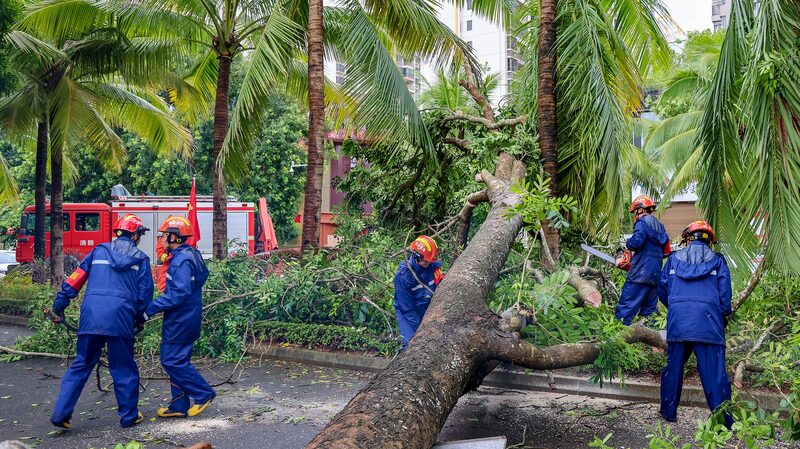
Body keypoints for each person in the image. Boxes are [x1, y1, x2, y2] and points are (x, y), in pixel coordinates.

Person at [49, 214, 153, 429]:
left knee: (81, 364)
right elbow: (144, 295)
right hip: (121, 319)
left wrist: (60, 304)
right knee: (123, 368)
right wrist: (140, 319)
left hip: (91, 318)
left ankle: (60, 415)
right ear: (134, 235)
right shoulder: (141, 259)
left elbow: (75, 278)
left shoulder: (98, 251)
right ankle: (128, 416)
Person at [659, 221, 733, 428]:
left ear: (686, 239)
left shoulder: (673, 260)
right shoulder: (718, 262)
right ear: (710, 241)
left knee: (673, 369)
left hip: (678, 323)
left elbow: (663, 291)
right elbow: (725, 298)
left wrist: (677, 307)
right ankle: (723, 422)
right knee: (715, 375)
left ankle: (668, 414)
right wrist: (721, 315)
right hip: (708, 325)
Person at [143, 216, 214, 418]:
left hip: (180, 319)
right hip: (188, 316)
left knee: (171, 360)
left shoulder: (181, 261)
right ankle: (178, 405)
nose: (162, 239)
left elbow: (178, 294)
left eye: (165, 235)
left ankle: (203, 393)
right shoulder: (191, 254)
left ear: (175, 236)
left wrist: (149, 309)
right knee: (178, 359)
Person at [615, 195, 670, 325]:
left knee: (626, 307)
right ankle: (648, 341)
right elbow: (666, 251)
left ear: (640, 209)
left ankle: (618, 338)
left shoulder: (642, 222)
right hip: (655, 275)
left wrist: (628, 243)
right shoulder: (660, 226)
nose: (635, 215)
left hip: (640, 273)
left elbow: (637, 242)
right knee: (648, 313)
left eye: (635, 212)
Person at [393, 235, 444, 350]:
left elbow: (440, 284)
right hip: (408, 312)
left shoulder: (433, 266)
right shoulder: (404, 276)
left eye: (431, 261)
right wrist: (420, 328)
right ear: (417, 257)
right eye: (426, 261)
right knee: (410, 345)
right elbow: (406, 308)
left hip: (427, 307)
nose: (429, 264)